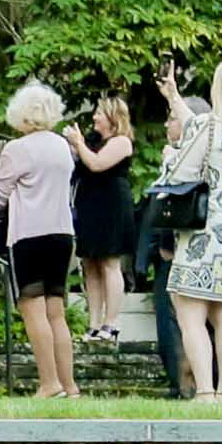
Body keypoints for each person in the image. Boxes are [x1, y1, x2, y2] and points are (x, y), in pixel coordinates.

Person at [162, 62, 222, 402]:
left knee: (190, 312)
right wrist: (174, 95)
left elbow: (180, 172)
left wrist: (169, 158)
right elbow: (195, 122)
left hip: (203, 231)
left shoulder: (208, 125)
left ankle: (204, 390)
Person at [0, 81, 81, 399]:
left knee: (33, 309)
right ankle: (69, 385)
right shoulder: (62, 147)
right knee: (56, 311)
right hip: (61, 234)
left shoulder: (17, 149)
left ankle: (48, 382)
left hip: (29, 235)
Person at [71, 93, 137, 346]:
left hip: (112, 205)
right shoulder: (92, 140)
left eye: (99, 112)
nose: (95, 117)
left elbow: (97, 164)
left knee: (110, 262)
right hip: (90, 204)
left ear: (112, 117)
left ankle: (112, 322)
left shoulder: (122, 142)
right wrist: (76, 143)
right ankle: (94, 323)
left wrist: (78, 144)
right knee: (90, 263)